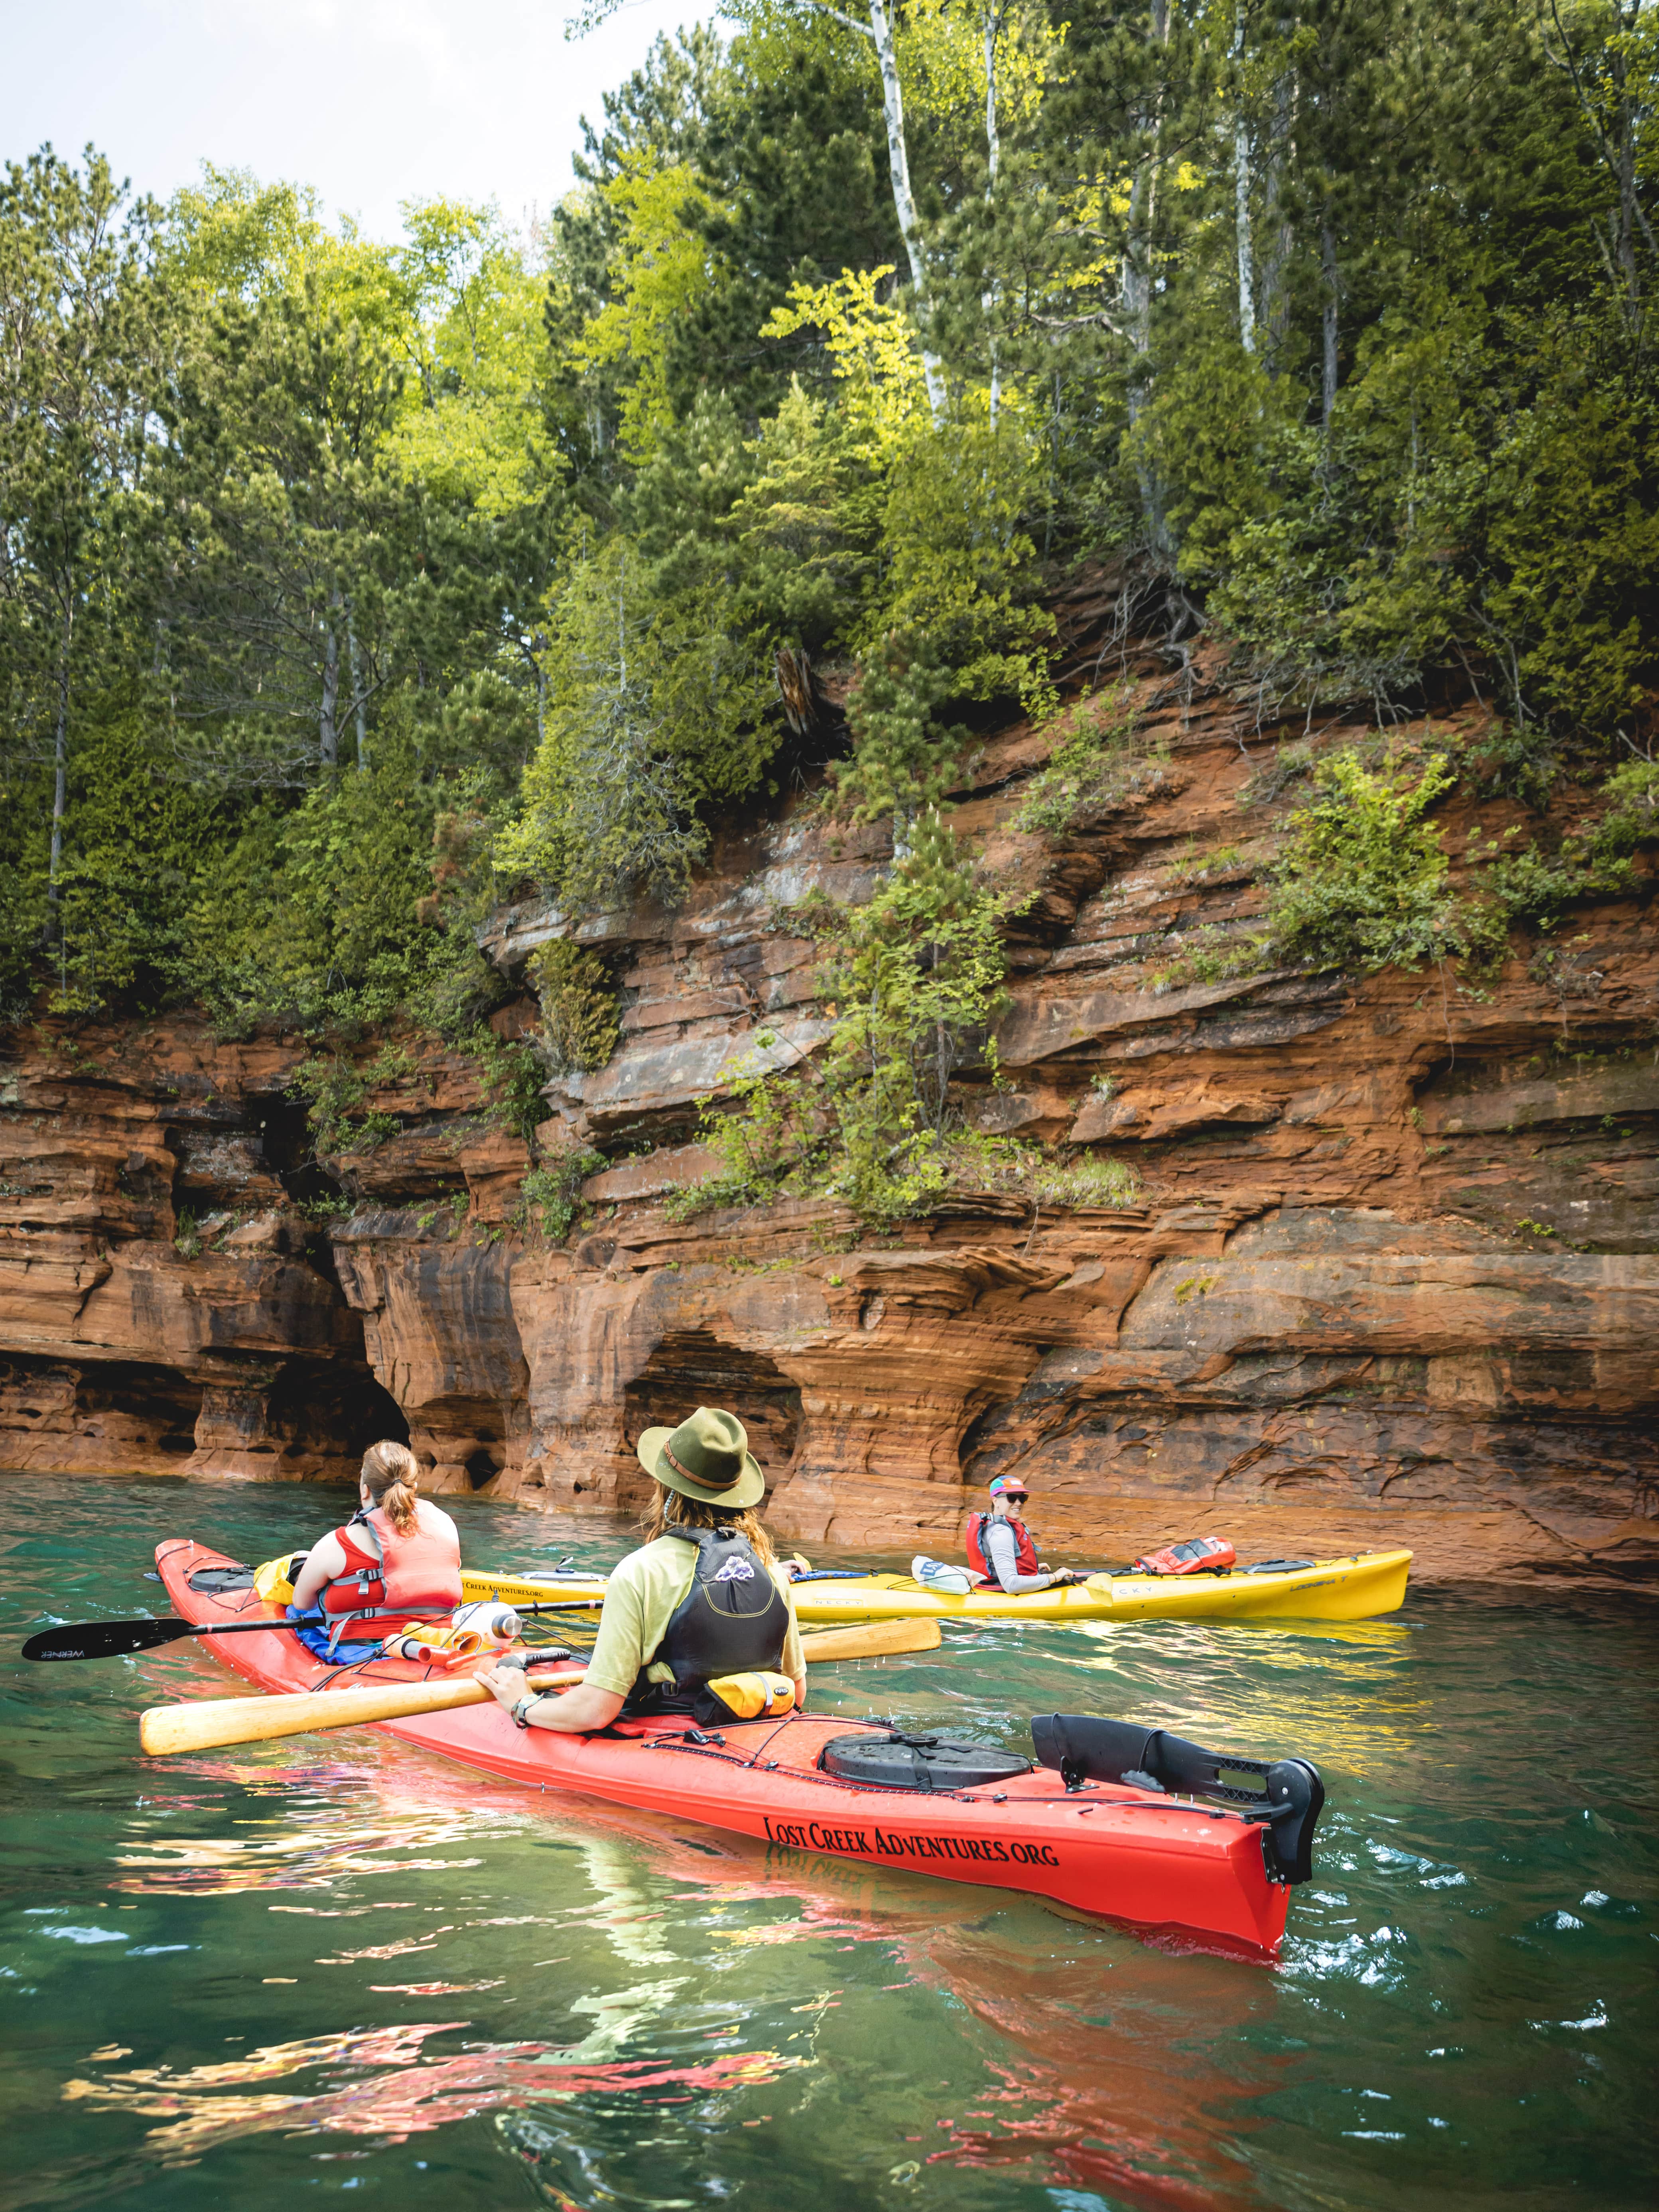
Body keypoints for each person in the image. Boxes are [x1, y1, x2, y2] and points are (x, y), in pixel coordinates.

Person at [477, 1406, 805, 1736]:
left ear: (668, 1491)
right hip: (760, 1729)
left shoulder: (641, 1571)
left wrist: (523, 1703)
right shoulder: (769, 1569)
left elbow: (596, 1710)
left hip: (671, 1735)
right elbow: (796, 1692)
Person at [288, 1440, 462, 1661]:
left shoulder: (336, 1544)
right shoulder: (447, 1526)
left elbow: (303, 1603)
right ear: (414, 1489)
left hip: (360, 1653)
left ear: (364, 1489)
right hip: (440, 1645)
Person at [964, 1475, 1087, 1595]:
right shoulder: (1001, 1532)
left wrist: (1033, 1568)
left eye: (1022, 1498)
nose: (1018, 1503)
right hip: (1001, 1592)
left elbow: (996, 1568)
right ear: (995, 1501)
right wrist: (1054, 1577)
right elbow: (1011, 1585)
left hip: (990, 1585)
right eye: (1012, 1498)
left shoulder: (994, 1526)